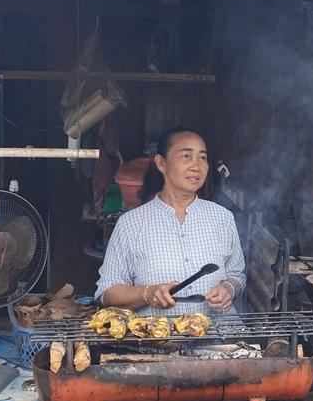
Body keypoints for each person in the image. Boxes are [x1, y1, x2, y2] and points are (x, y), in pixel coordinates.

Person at [96, 127, 245, 316]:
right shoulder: (130, 224)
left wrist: (228, 289)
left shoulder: (223, 217)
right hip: (157, 340)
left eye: (202, 158)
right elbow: (107, 292)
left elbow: (237, 275)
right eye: (186, 156)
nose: (196, 166)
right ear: (161, 163)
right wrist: (147, 293)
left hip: (221, 340)